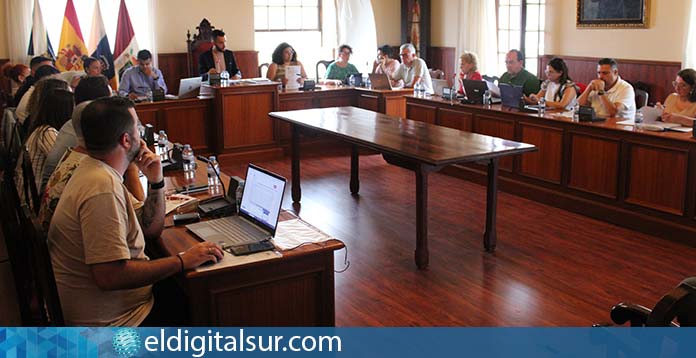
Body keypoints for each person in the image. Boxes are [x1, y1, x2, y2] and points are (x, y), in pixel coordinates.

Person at [47, 97, 223, 326]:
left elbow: (150, 229)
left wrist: (156, 181)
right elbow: (109, 275)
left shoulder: (95, 170)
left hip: (116, 307)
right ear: (126, 140)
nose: (141, 135)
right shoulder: (101, 188)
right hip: (118, 324)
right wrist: (182, 260)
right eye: (137, 127)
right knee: (213, 302)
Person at [41, 75, 112, 190]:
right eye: (111, 100)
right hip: (58, 194)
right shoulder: (87, 128)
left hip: (58, 189)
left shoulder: (72, 122)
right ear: (98, 105)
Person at [15, 86, 74, 210]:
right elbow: (65, 164)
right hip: (33, 201)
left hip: (27, 195)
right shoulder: (48, 132)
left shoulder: (40, 127)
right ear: (64, 111)